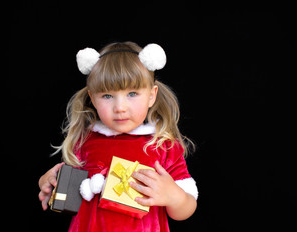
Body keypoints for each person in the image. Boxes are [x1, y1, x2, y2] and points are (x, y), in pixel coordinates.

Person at [38, 41, 198, 231]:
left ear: (151, 96)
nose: (120, 107)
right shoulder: (85, 142)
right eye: (107, 96)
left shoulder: (163, 145)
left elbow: (185, 210)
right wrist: (50, 184)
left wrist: (174, 197)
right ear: (93, 98)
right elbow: (69, 199)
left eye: (132, 93)